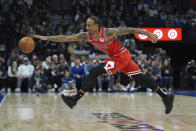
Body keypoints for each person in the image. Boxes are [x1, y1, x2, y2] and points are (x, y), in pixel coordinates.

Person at [34, 16, 174, 114]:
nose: (86, 27)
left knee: (94, 72)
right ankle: (166, 97)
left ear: (97, 25)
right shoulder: (86, 35)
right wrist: (46, 37)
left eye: (89, 25)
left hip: (121, 55)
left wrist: (147, 33)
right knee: (140, 78)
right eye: (86, 24)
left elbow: (130, 29)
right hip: (118, 57)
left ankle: (74, 99)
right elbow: (66, 38)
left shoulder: (107, 32)